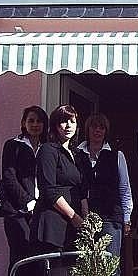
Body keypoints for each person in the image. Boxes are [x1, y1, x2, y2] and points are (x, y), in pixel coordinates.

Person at [1, 106, 48, 276]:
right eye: (31, 120)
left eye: (38, 121)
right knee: (21, 258)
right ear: (24, 123)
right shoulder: (13, 145)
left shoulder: (47, 147)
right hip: (18, 212)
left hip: (42, 211)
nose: (35, 124)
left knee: (39, 260)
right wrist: (28, 203)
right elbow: (9, 177)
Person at [31, 104, 88, 256]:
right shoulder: (47, 150)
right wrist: (74, 217)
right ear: (55, 126)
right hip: (52, 225)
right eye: (63, 121)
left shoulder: (78, 154)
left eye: (72, 121)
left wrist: (87, 220)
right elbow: (49, 190)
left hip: (73, 228)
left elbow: (82, 190)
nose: (68, 125)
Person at [77, 113, 133, 261]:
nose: (97, 131)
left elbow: (124, 189)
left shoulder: (116, 156)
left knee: (109, 266)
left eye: (101, 127)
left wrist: (126, 218)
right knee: (85, 265)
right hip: (83, 219)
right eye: (94, 127)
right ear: (87, 129)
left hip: (110, 218)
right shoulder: (77, 155)